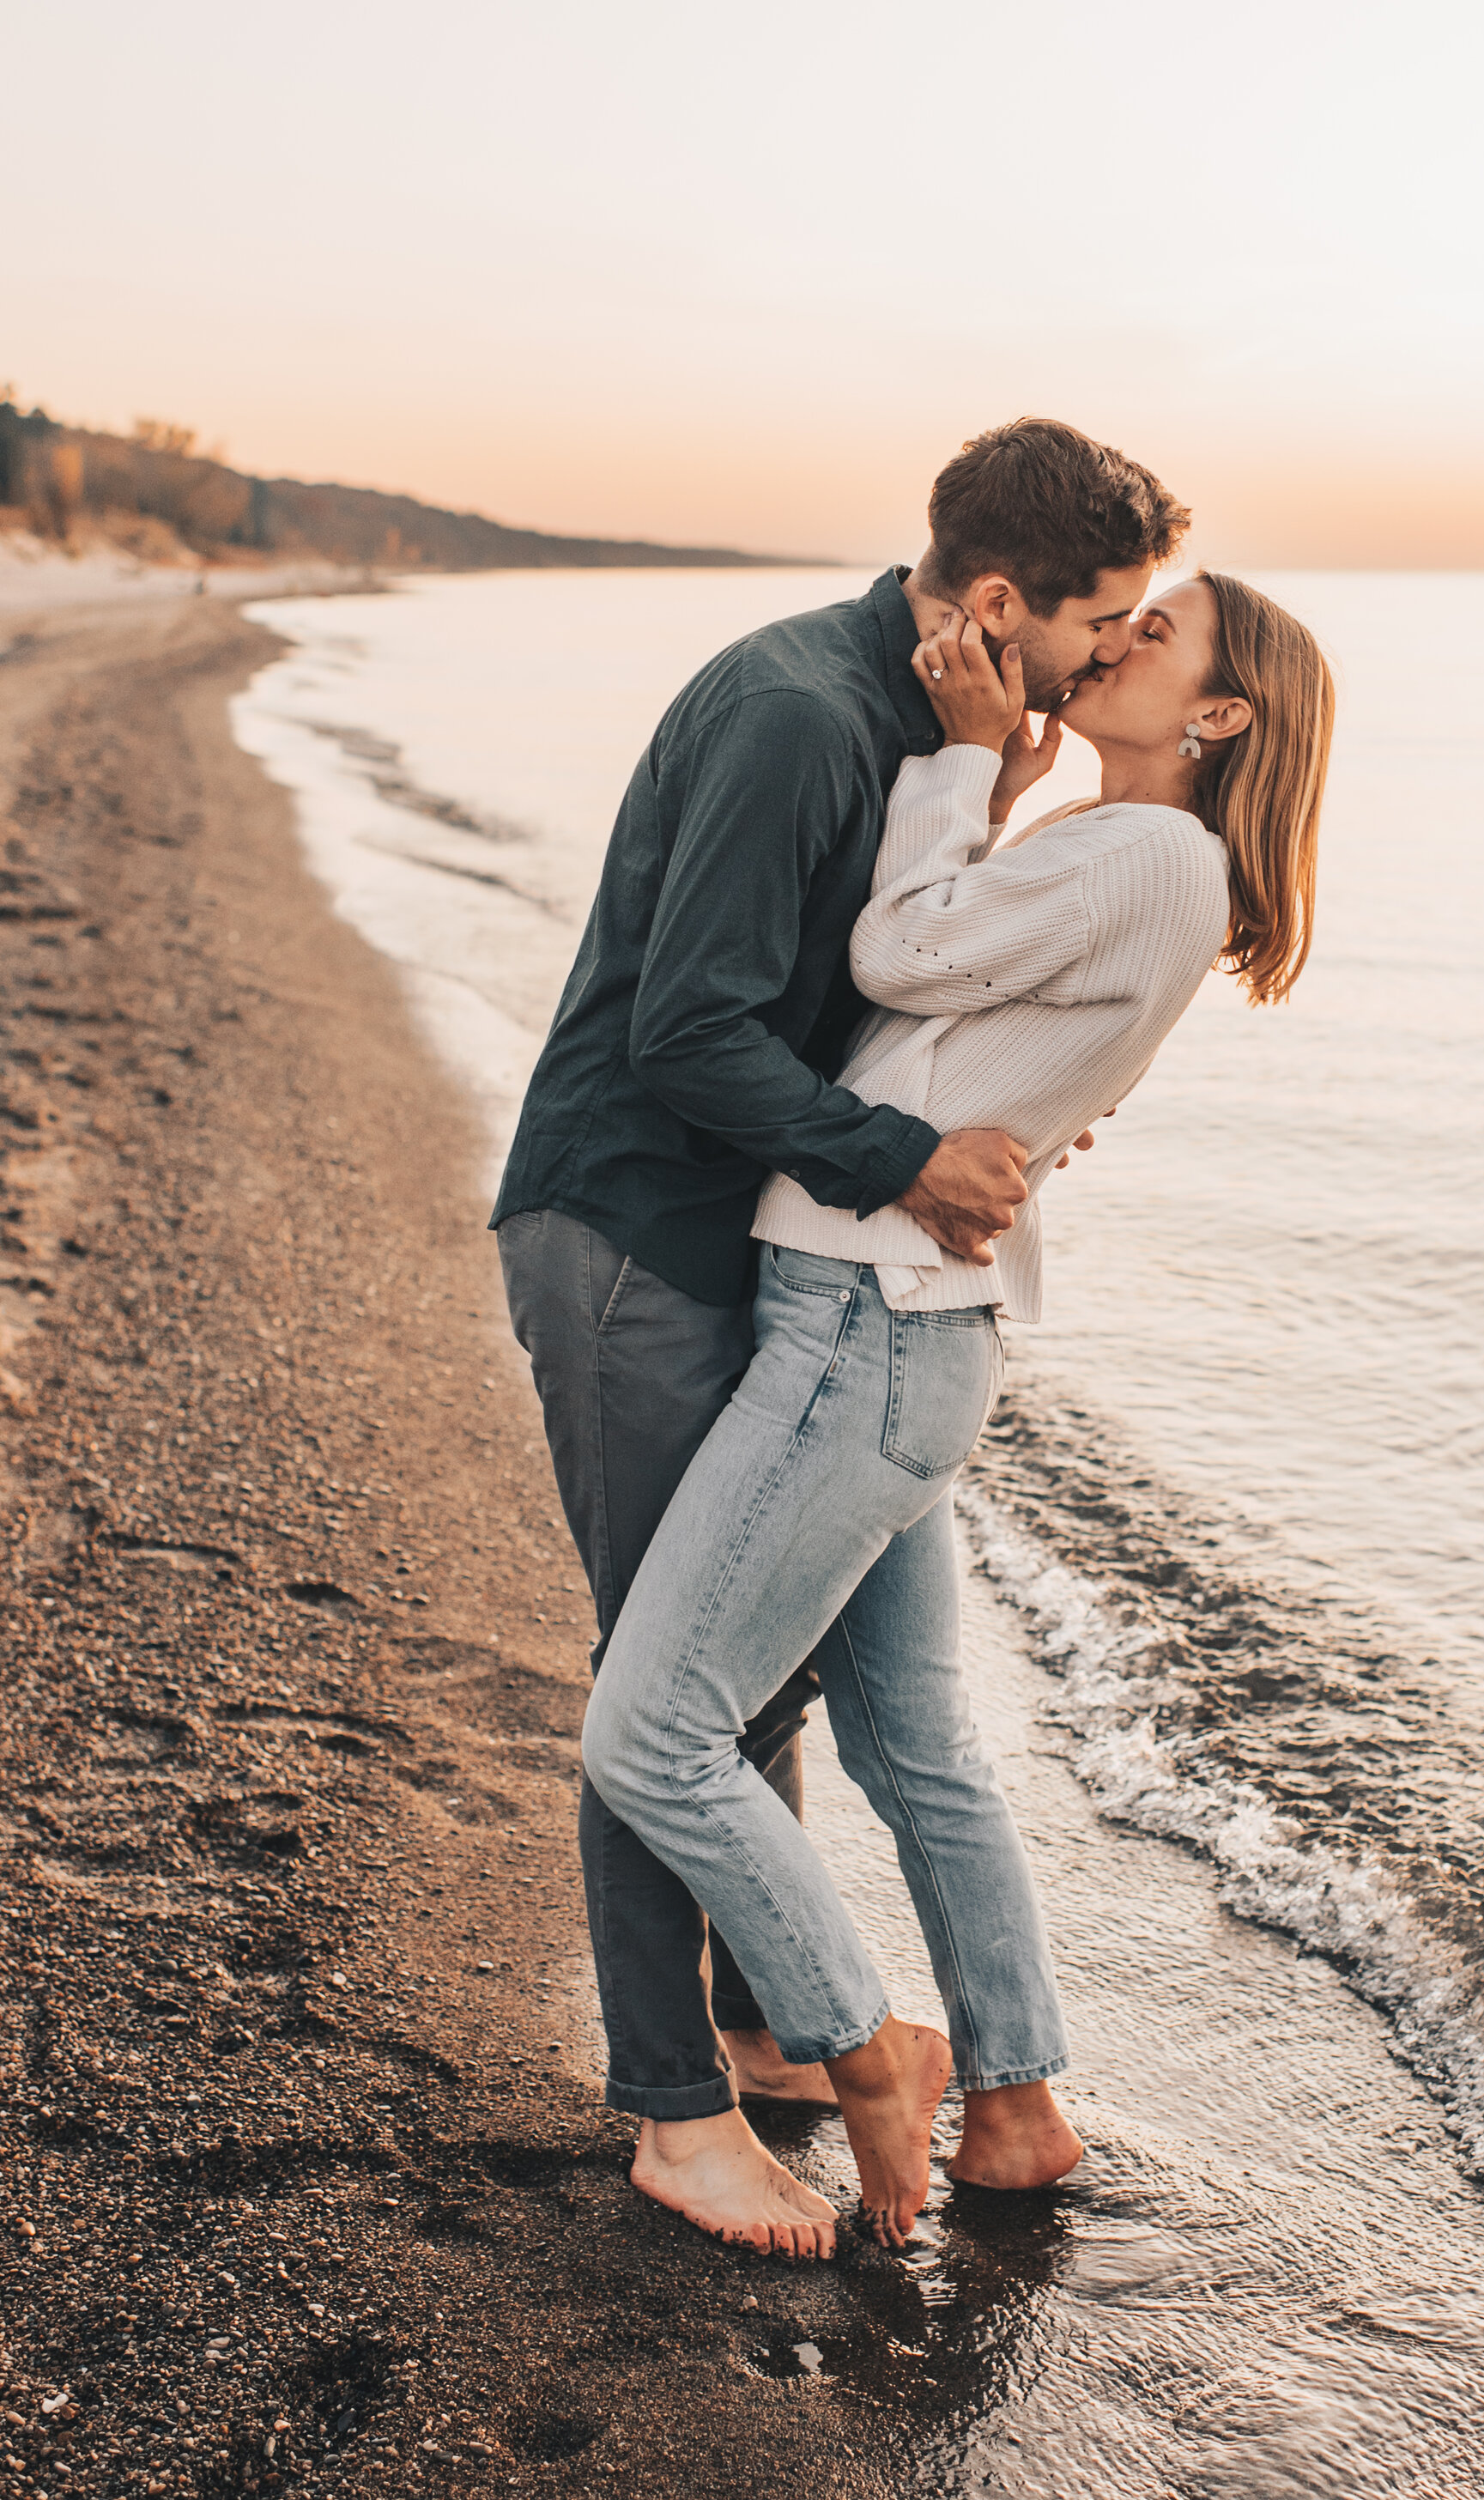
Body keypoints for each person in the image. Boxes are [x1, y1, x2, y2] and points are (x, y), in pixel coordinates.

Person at [492, 417, 1190, 2253]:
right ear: (991, 599)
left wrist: (1009, 1099)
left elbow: (909, 987)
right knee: (661, 1681)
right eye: (1098, 617)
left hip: (748, 1240)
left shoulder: (931, 735)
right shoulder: (801, 716)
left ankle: (752, 2022)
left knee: (738, 1661)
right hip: (630, 1225)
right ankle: (672, 2104)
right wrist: (916, 1155)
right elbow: (692, 1035)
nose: (1110, 647)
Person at [582, 569, 1336, 2251]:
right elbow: (942, 1036)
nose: (1122, 636)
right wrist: (998, 795)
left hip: (858, 1329)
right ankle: (1015, 2100)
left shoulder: (1146, 850)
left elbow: (890, 949)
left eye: (1165, 634)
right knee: (915, 1748)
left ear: (1219, 715)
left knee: (649, 1732)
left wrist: (959, 764)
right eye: (1125, 615)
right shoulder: (1122, 852)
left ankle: (867, 2041)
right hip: (906, 1325)